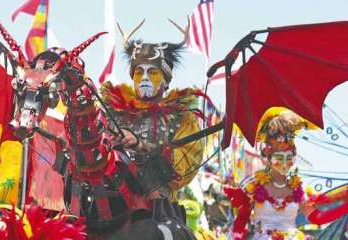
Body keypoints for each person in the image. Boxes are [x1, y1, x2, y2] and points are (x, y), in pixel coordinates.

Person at [101, 19, 205, 239]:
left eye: (152, 72)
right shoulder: (112, 110)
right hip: (107, 206)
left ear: (166, 80)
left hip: (159, 210)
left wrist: (142, 145)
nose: (144, 77)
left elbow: (182, 172)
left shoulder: (182, 117)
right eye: (139, 72)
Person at [224, 111, 348, 240]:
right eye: (279, 157)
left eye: (288, 157)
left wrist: (345, 207)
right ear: (268, 157)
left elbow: (317, 218)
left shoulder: (297, 189)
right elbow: (242, 219)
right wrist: (237, 236)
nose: (284, 163)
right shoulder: (253, 185)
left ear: (293, 159)